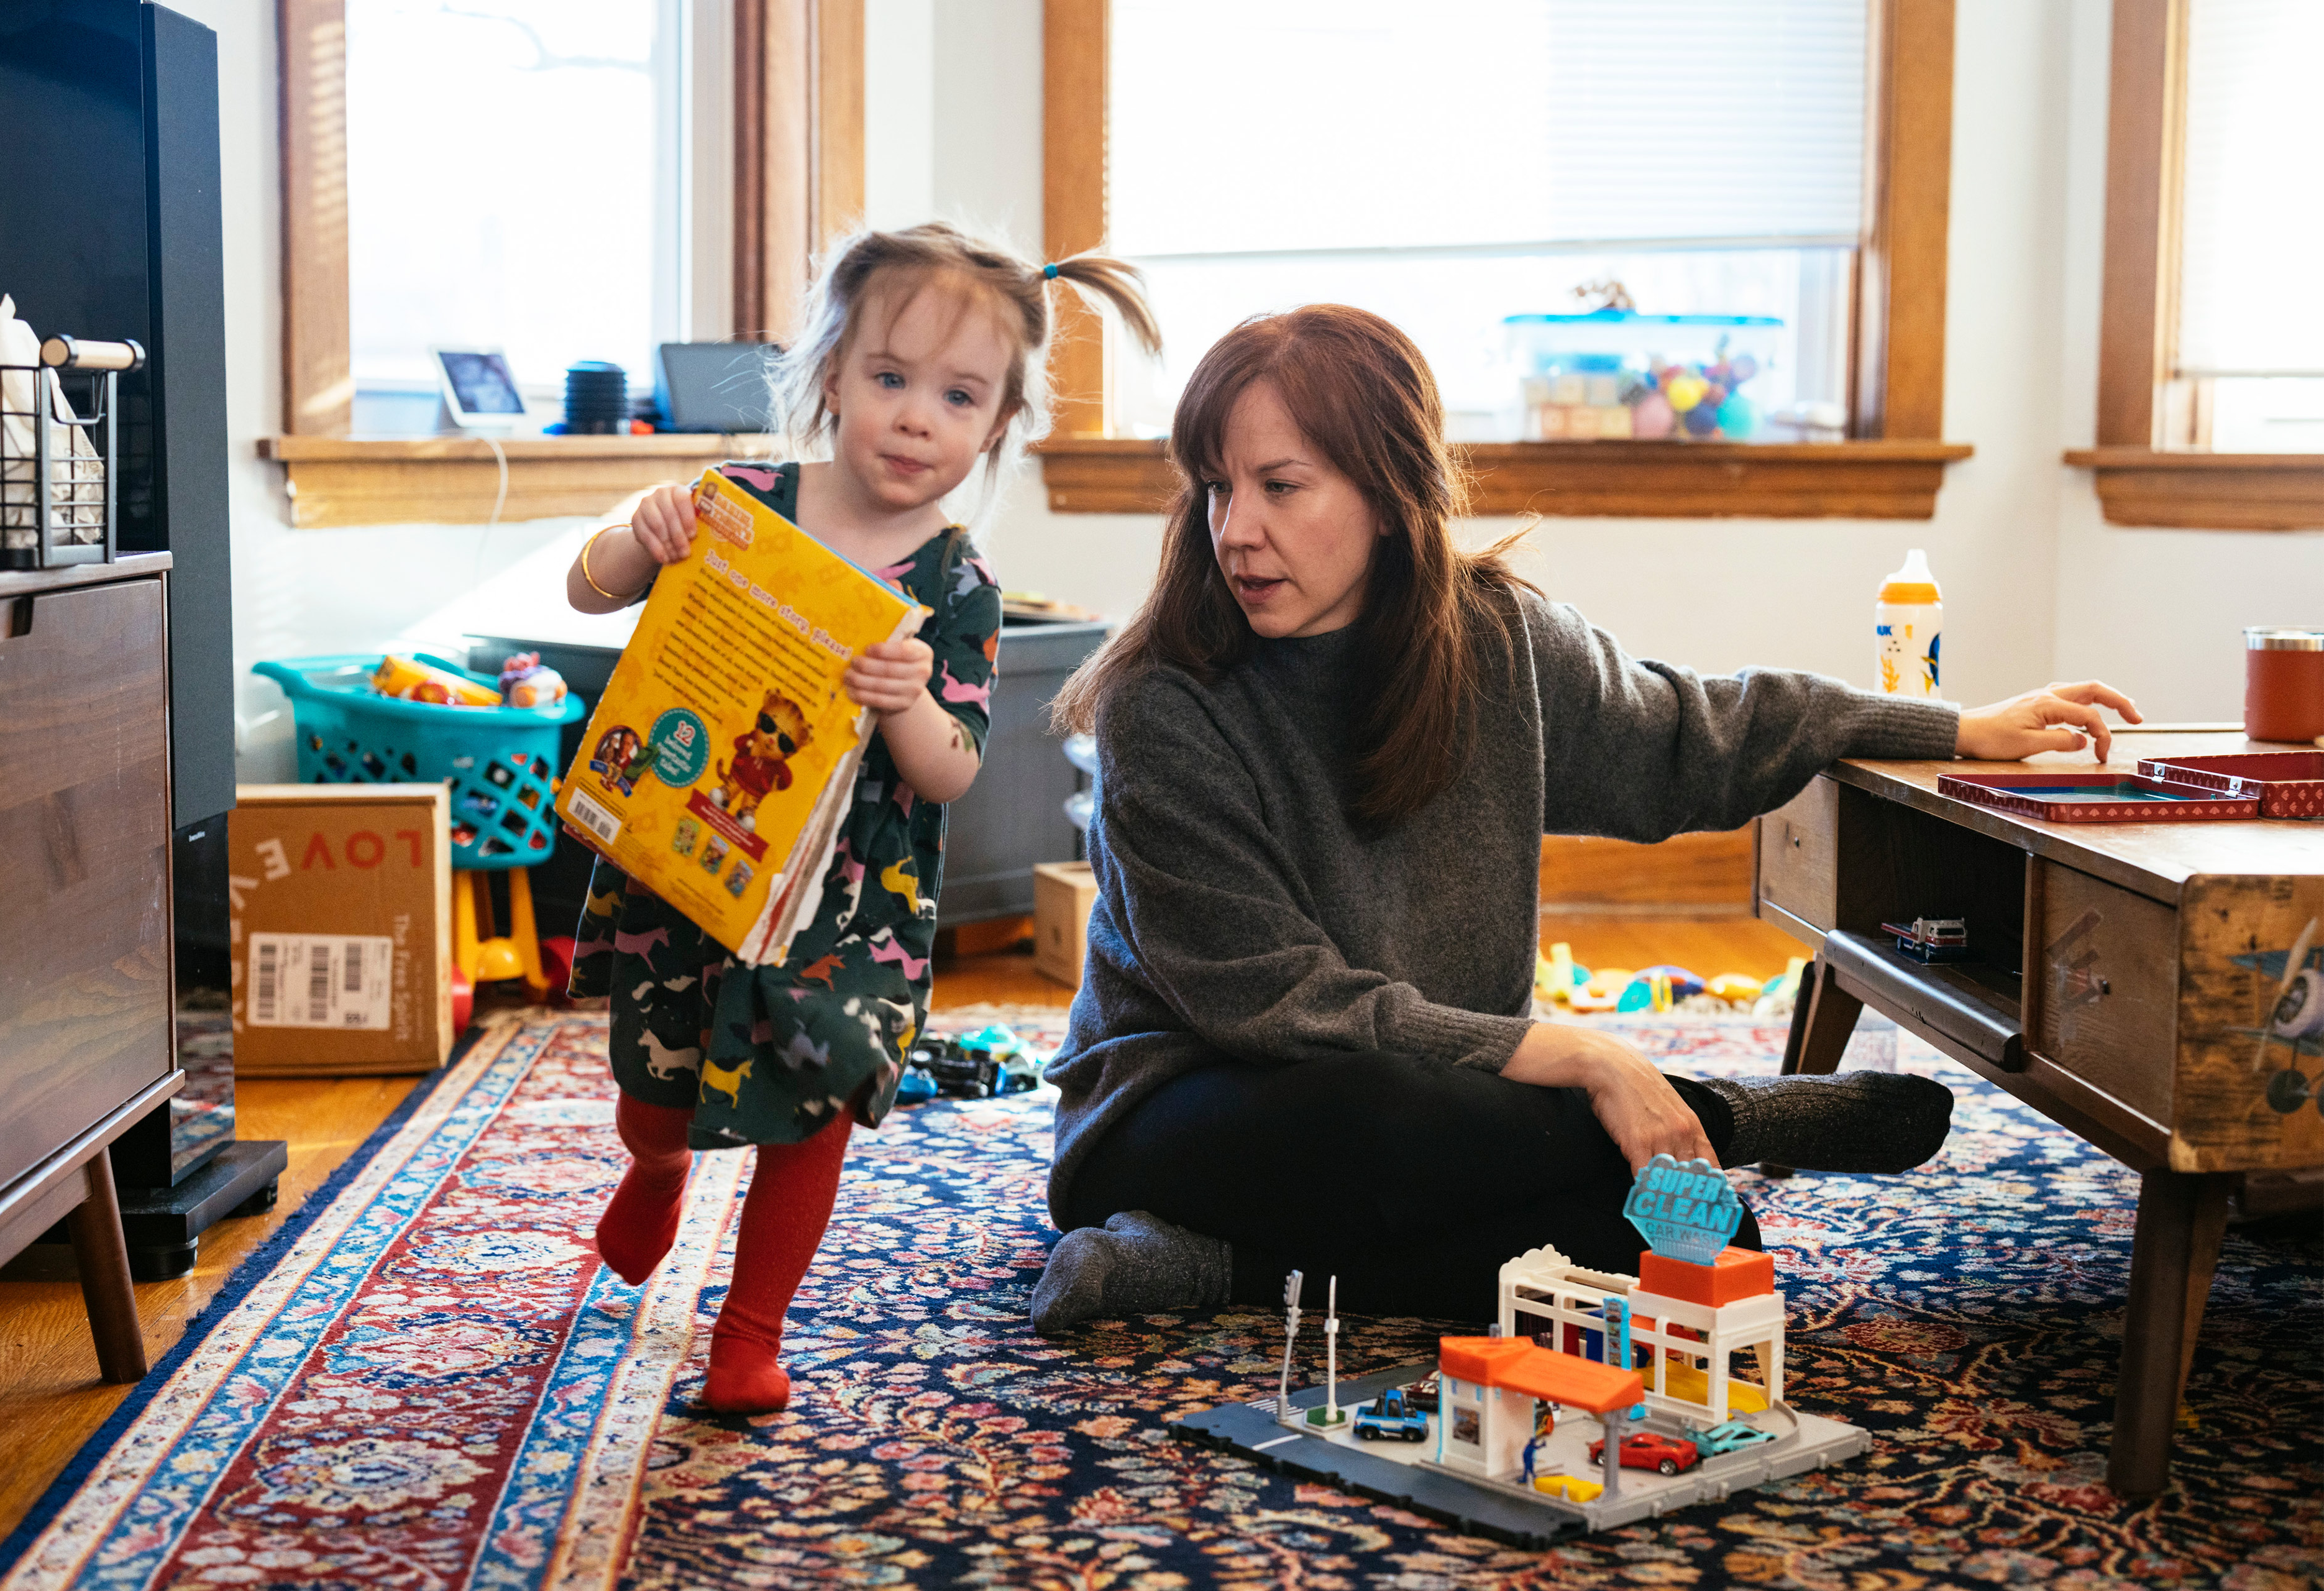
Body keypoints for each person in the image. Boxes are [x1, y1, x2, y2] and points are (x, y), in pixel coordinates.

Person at [1031, 305, 2139, 1333]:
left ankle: (1200, 1270)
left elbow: (1690, 735)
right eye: (1216, 489)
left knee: (1685, 1251)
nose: (1236, 530)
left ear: (1386, 493)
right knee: (1391, 1120)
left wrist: (1945, 727)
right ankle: (1735, 1114)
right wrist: (1591, 1062)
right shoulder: (1160, 704)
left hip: (1455, 1095)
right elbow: (1280, 1004)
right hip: (1188, 1101)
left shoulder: (1493, 640)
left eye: (1281, 486)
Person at [564, 222, 1161, 1411]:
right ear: (829, 372)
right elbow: (591, 586)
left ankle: (750, 1334)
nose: (914, 418)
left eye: (957, 395)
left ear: (996, 425)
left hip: (851, 911)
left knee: (816, 1113)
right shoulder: (736, 504)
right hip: (700, 865)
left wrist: (909, 703)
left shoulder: (961, 590)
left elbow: (950, 771)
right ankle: (657, 1166)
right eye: (889, 378)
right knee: (652, 1085)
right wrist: (642, 530)